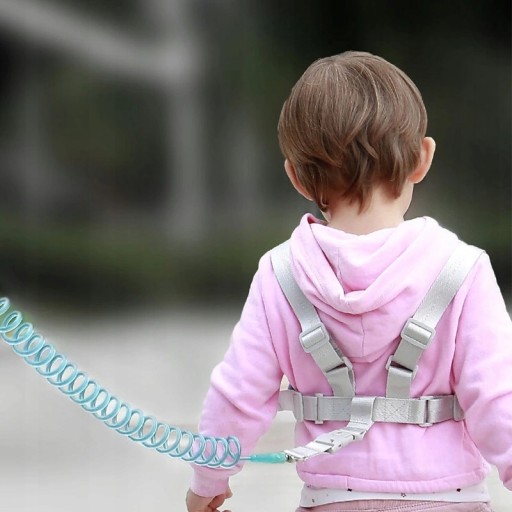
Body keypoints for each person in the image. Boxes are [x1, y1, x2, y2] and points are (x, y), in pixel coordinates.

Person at [185, 51, 512, 512]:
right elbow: (500, 400)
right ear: (422, 159)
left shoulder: (281, 274)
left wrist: (208, 481)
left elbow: (237, 396)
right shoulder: (462, 270)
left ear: (296, 178)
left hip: (329, 500)